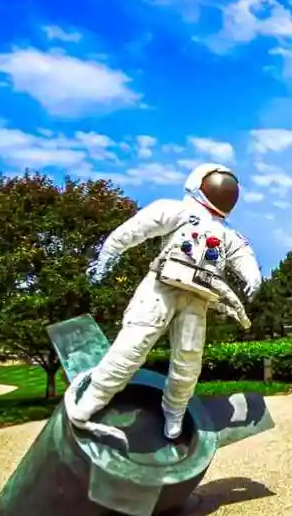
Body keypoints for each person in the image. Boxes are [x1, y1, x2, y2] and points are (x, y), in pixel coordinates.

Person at [65, 163, 261, 442]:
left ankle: (175, 411)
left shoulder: (227, 232)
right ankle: (92, 400)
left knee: (189, 359)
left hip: (198, 296)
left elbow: (243, 256)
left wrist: (252, 277)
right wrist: (107, 255)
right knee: (132, 346)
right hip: (161, 286)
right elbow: (133, 230)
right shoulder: (177, 210)